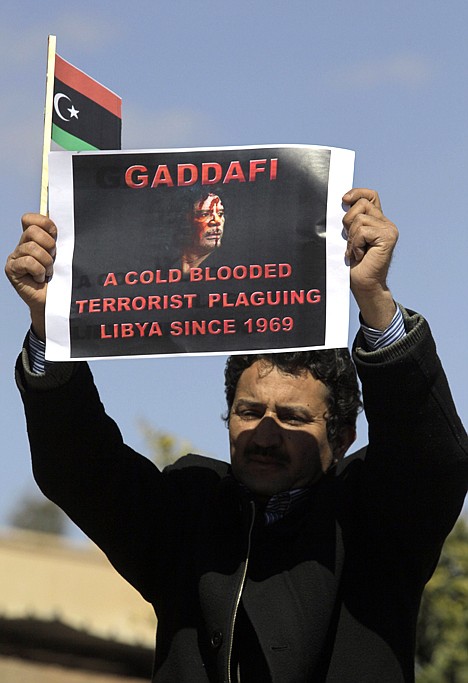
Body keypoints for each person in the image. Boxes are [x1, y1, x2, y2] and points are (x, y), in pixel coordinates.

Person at [5, 188, 468, 682]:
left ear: (345, 435)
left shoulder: (377, 517)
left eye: (292, 418)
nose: (264, 434)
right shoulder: (188, 512)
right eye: (249, 411)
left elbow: (431, 460)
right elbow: (77, 465)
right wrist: (49, 321)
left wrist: (373, 299)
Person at [172, 191, 226, 275]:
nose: (217, 221)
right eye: (204, 214)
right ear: (185, 220)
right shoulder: (167, 266)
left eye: (220, 214)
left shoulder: (230, 264)